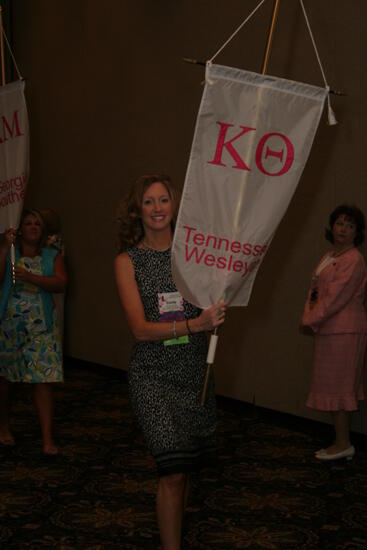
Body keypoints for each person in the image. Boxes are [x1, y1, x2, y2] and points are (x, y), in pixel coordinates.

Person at [114, 174, 226, 550]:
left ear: (175, 206)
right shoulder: (127, 262)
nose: (157, 208)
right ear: (138, 210)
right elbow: (141, 331)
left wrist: (217, 309)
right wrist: (195, 324)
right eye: (149, 201)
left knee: (187, 468)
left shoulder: (194, 256)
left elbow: (212, 304)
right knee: (173, 471)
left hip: (195, 373)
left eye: (164, 200)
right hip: (153, 378)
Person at [301, 205, 367, 461]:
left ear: (357, 233)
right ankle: (341, 442)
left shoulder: (354, 260)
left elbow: (337, 299)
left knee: (340, 389)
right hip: (329, 330)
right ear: (332, 226)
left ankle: (343, 444)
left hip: (345, 332)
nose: (343, 229)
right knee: (333, 387)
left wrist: (311, 319)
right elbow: (316, 292)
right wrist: (309, 317)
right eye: (340, 223)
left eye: (350, 226)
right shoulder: (329, 257)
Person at [0, 209, 67, 455]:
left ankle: (47, 439)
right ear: (19, 229)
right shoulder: (10, 253)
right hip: (10, 325)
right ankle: (4, 426)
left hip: (42, 326)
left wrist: (31, 277)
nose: (32, 227)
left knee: (44, 380)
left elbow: (60, 283)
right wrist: (6, 248)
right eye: (27, 223)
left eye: (37, 223)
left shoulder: (52, 256)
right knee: (7, 379)